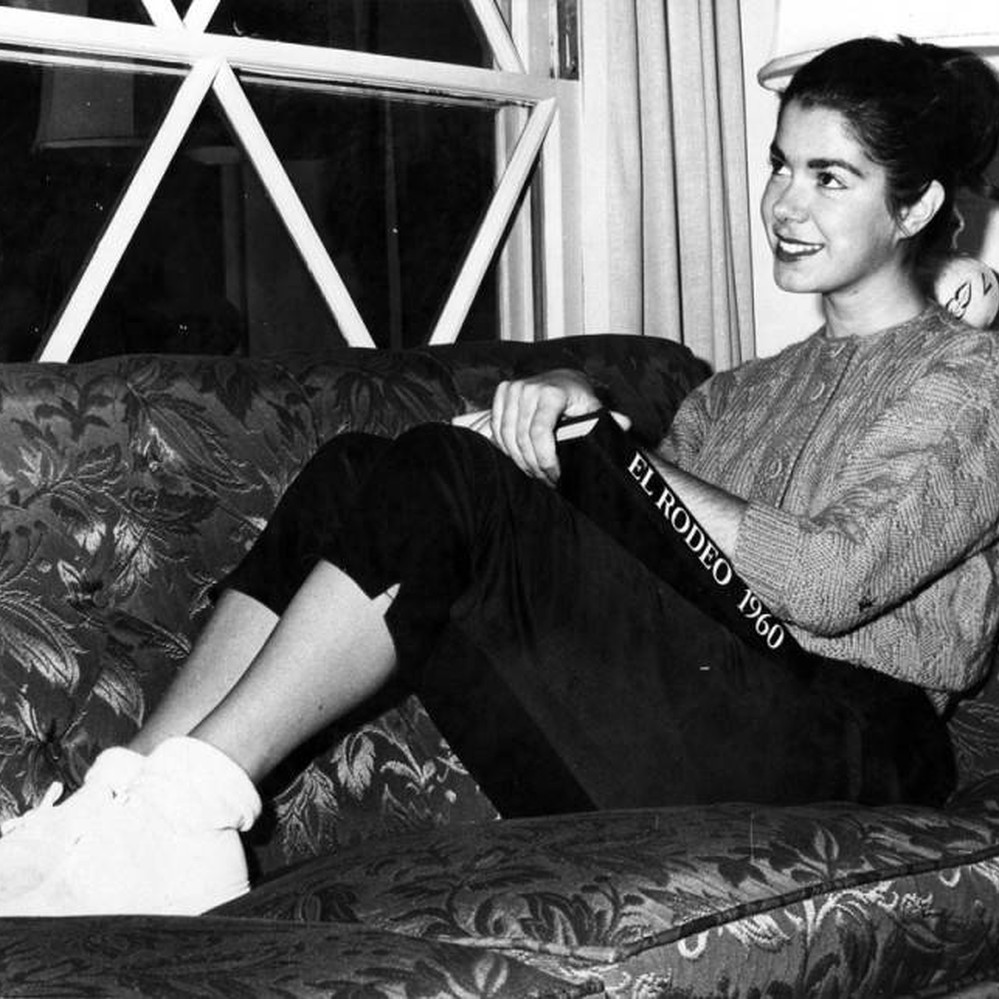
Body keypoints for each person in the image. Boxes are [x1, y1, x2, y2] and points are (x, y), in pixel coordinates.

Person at [2, 34, 999, 917]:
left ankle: (189, 807)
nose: (784, 203)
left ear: (915, 205)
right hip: (709, 717)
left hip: (854, 752)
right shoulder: (738, 394)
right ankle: (121, 805)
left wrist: (610, 447)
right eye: (780, 165)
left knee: (452, 470)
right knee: (359, 469)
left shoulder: (970, 379)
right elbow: (651, 555)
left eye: (831, 178)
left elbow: (829, 581)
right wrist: (571, 414)